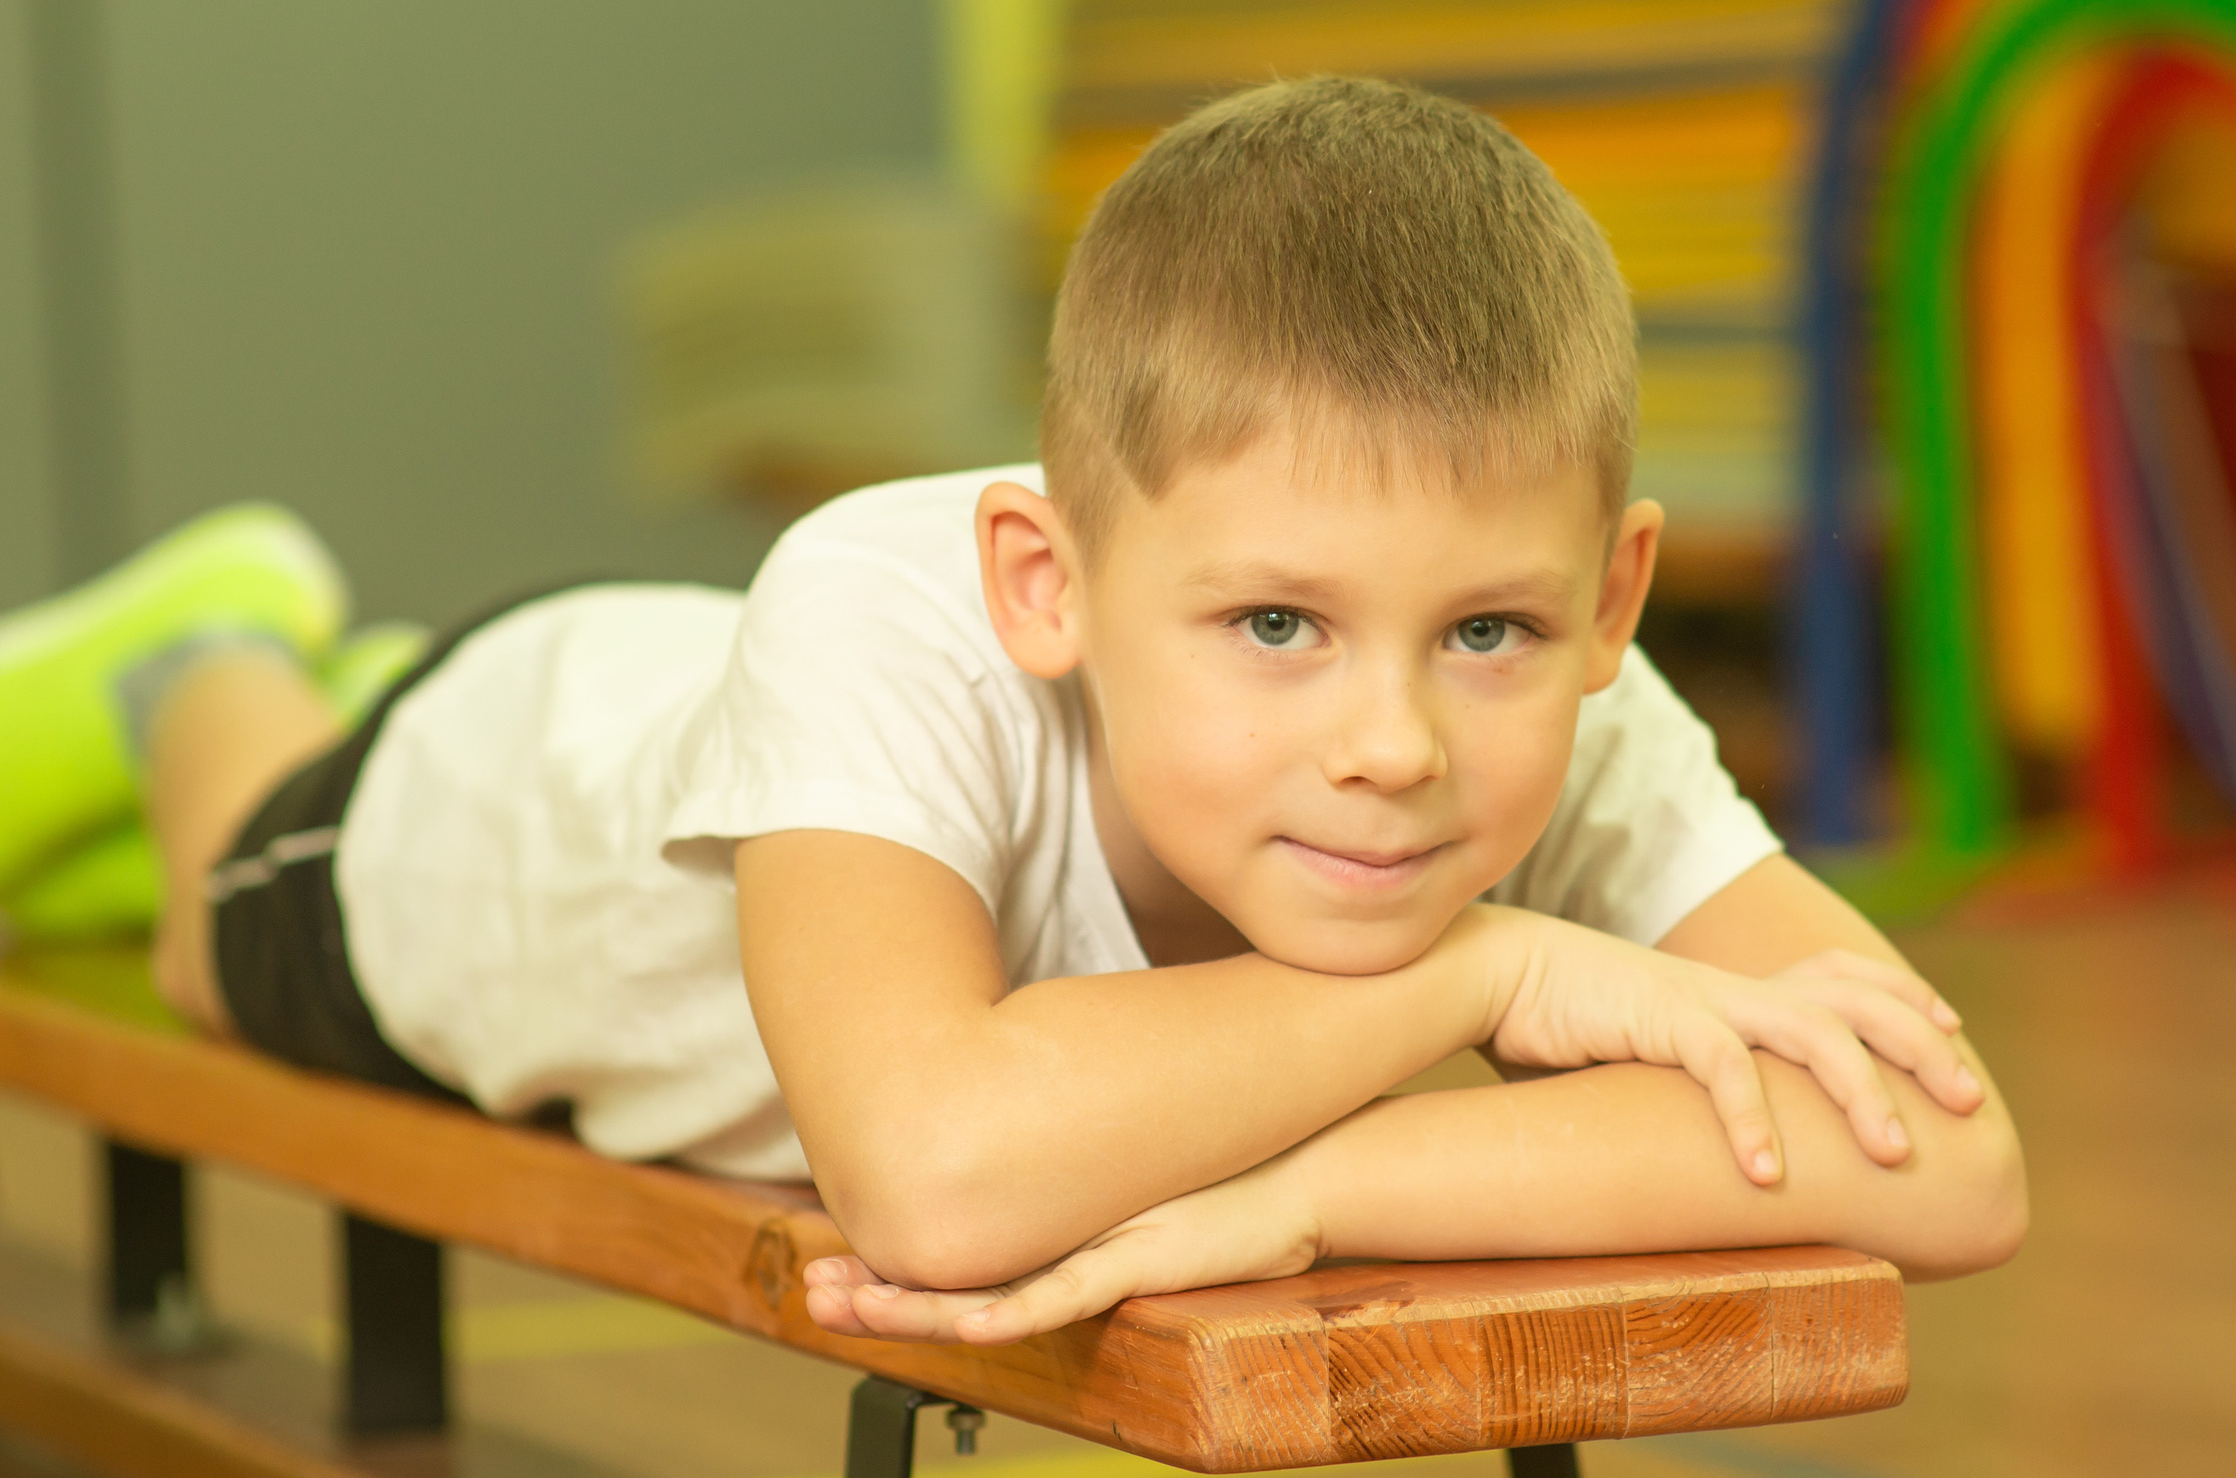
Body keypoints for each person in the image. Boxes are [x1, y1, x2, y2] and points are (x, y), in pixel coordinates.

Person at [0, 77, 2024, 1348]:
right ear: (1042, 585)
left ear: (1610, 597)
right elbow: (934, 1177)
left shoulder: (1557, 696)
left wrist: (1324, 1186)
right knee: (197, 928)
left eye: (1485, 634)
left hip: (735, 739)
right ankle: (215, 654)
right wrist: (1476, 974)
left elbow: (1946, 1163)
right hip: (455, 813)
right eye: (1272, 627)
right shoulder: (873, 604)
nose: (1394, 744)